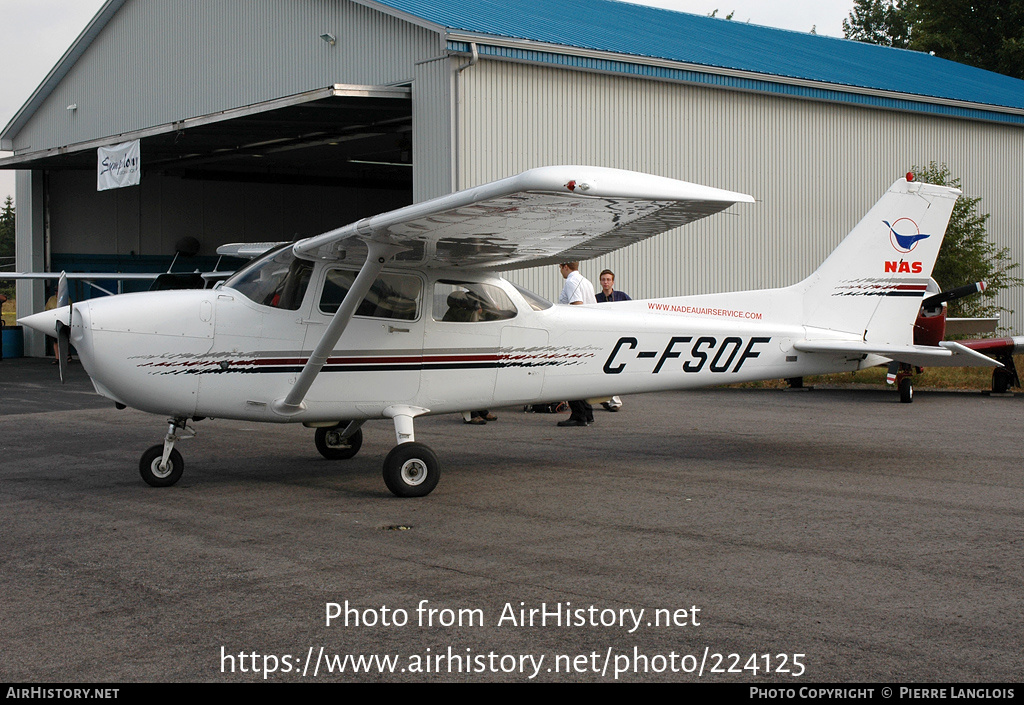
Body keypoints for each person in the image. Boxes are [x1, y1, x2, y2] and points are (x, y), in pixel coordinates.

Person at [557, 262, 596, 426]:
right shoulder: (586, 282)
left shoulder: (571, 282)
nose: (560, 271)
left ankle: (578, 415)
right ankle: (587, 413)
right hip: (588, 332)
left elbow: (577, 306)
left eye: (560, 267)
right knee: (581, 376)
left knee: (569, 375)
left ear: (566, 266)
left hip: (576, 334)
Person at [594, 269, 630, 411]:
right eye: (603, 279)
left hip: (618, 338)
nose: (606, 282)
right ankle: (608, 398)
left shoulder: (622, 297)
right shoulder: (595, 298)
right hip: (602, 338)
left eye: (608, 280)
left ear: (613, 282)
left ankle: (613, 399)